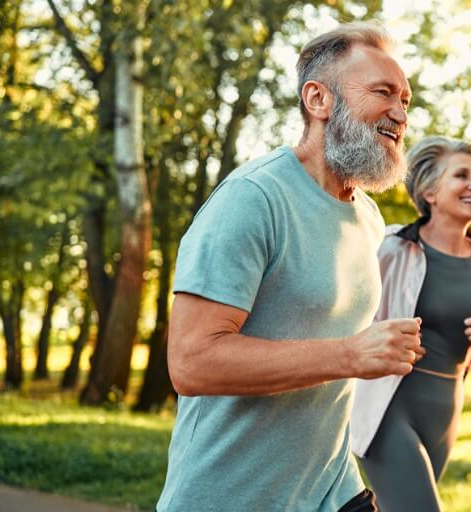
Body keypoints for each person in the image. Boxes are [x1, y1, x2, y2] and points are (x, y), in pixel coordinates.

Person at [157, 23, 424, 512]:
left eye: (406, 99)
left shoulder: (366, 215)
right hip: (229, 496)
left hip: (332, 490)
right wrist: (348, 356)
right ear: (318, 99)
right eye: (383, 93)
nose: (400, 113)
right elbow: (191, 362)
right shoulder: (253, 199)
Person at [350, 136, 471, 512]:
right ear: (430, 192)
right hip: (389, 407)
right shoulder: (392, 248)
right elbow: (353, 317)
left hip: (445, 411)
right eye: (461, 175)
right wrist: (387, 339)